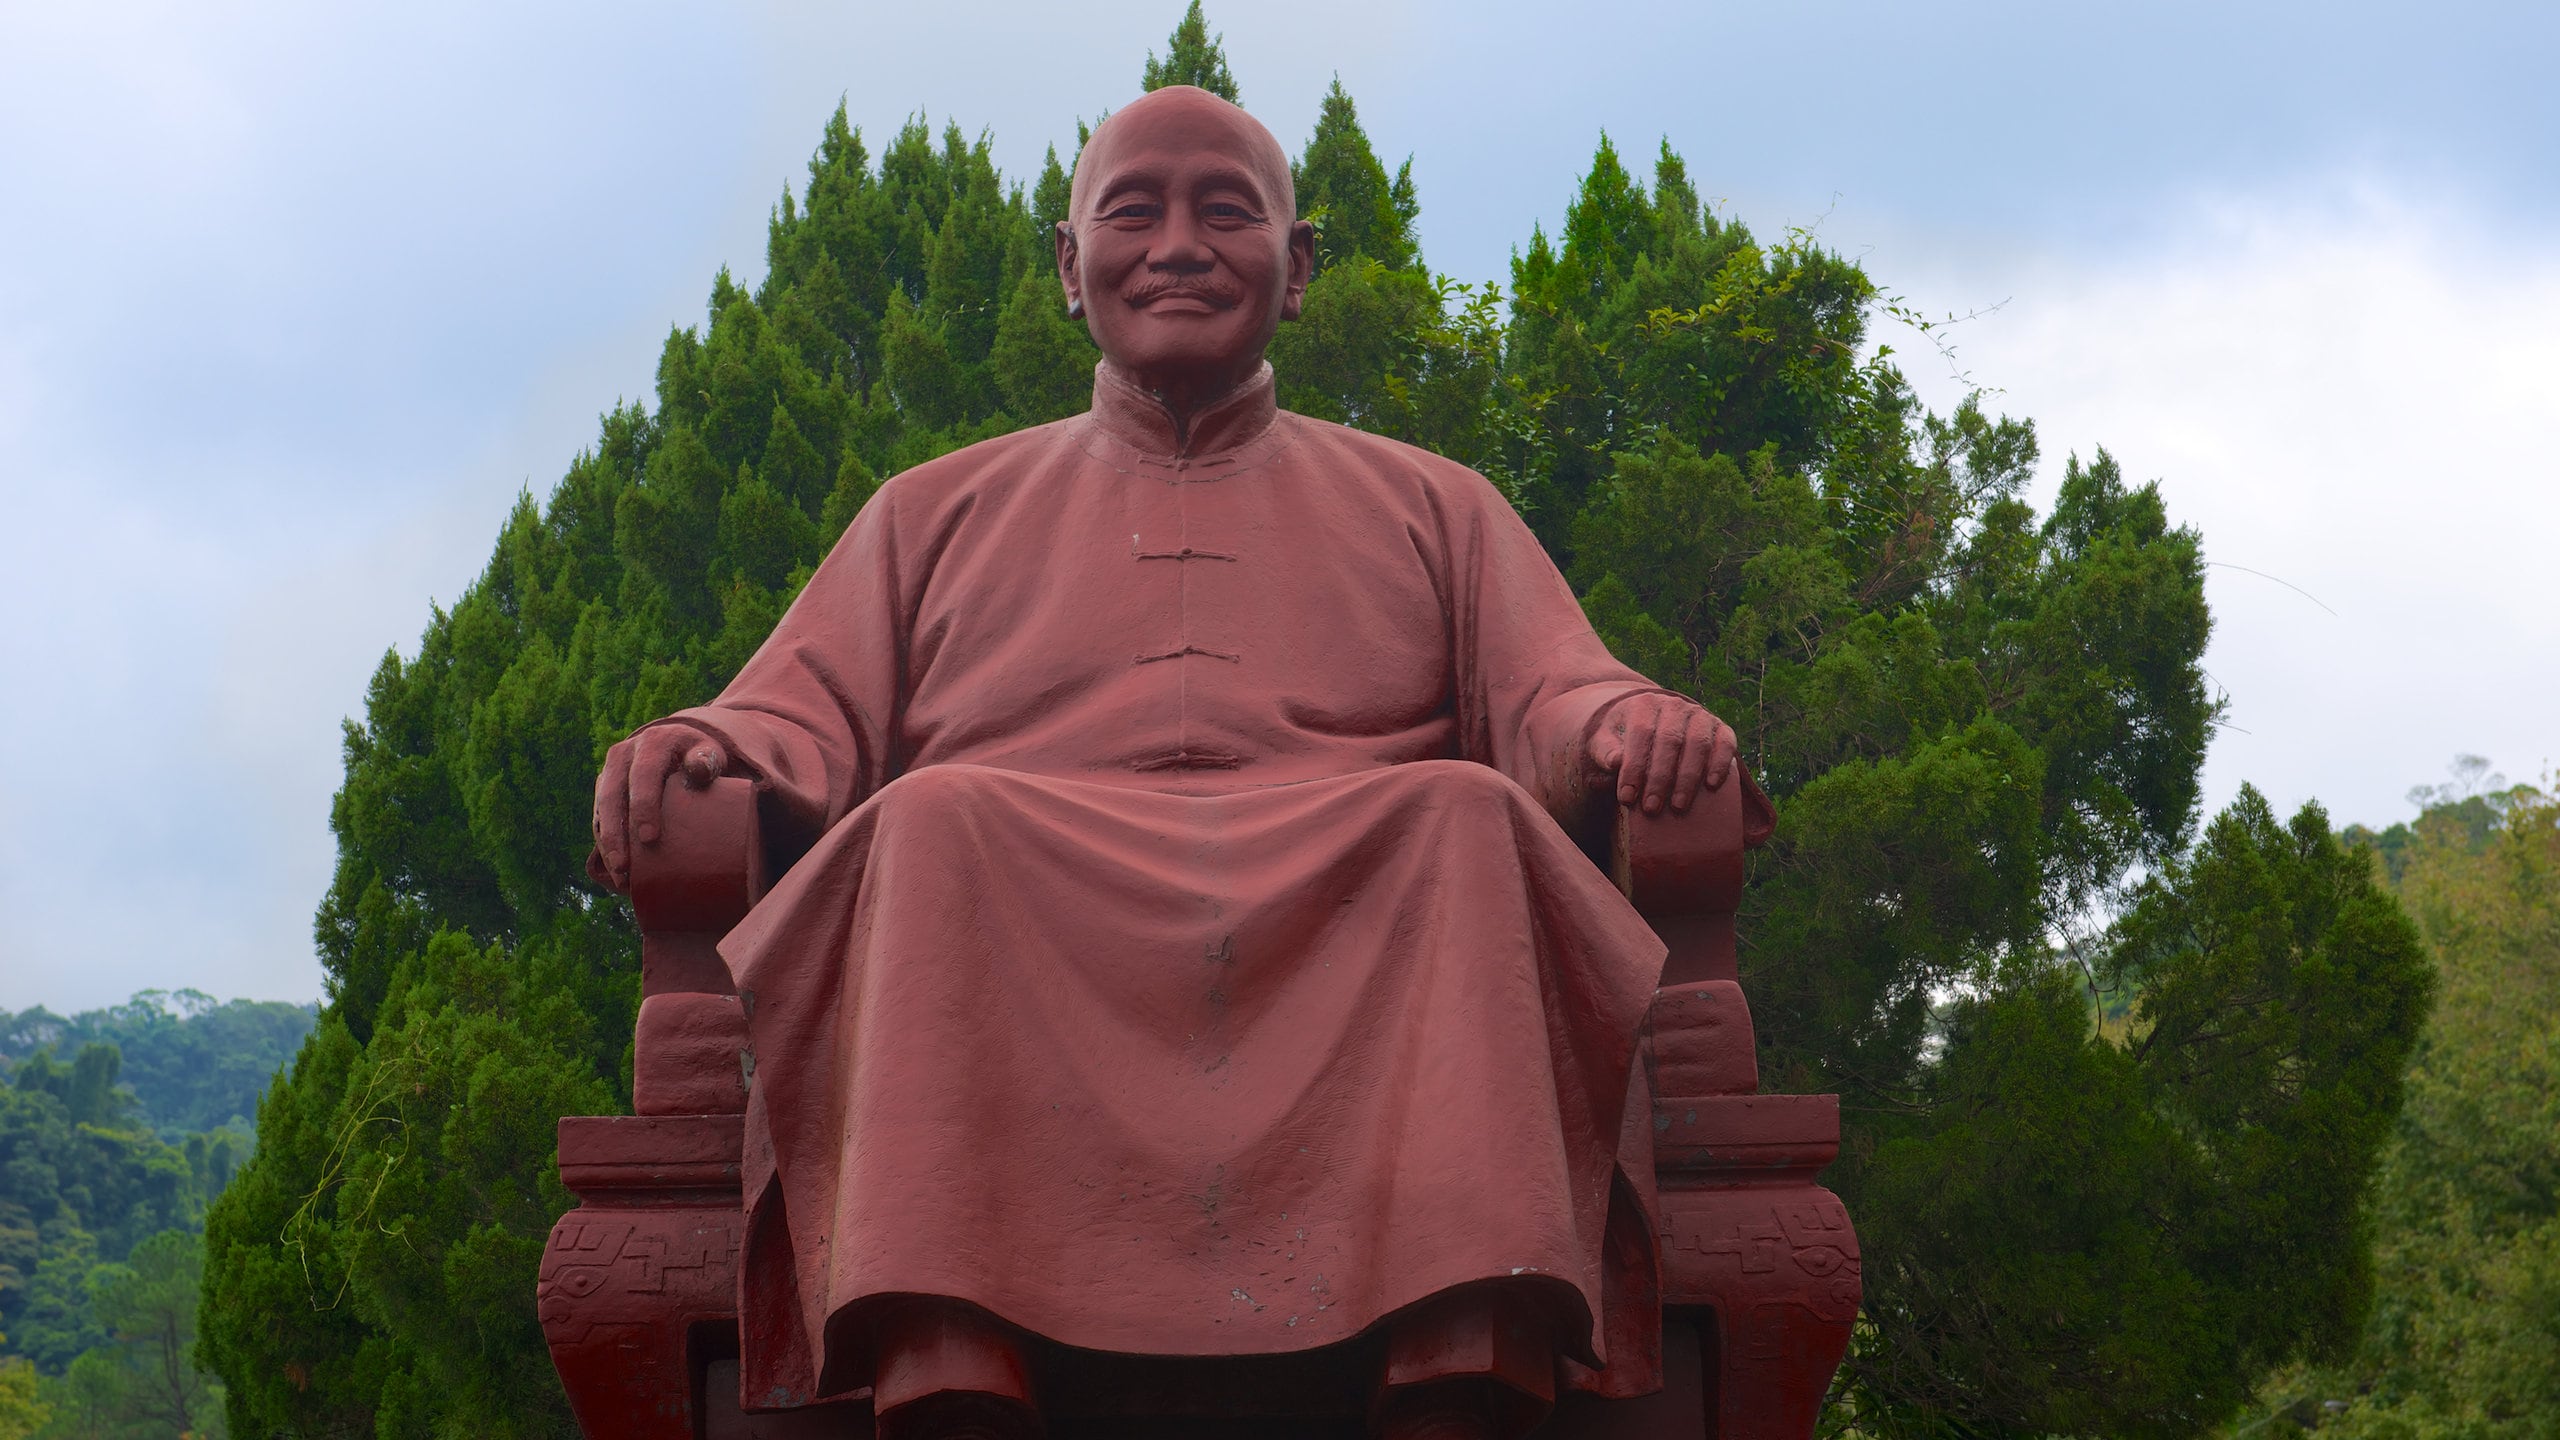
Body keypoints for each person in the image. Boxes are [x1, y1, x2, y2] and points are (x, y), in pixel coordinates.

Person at [591, 84, 1738, 1440]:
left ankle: (1456, 1338)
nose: (1178, 245)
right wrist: (705, 744)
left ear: (1299, 267)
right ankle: (953, 1355)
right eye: (1131, 214)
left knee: (1460, 814)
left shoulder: (1436, 504)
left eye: (1226, 211)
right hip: (1022, 903)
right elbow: (797, 716)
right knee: (936, 820)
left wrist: (1630, 723)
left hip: (1354, 905)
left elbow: (1561, 693)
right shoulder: (931, 512)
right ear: (1070, 270)